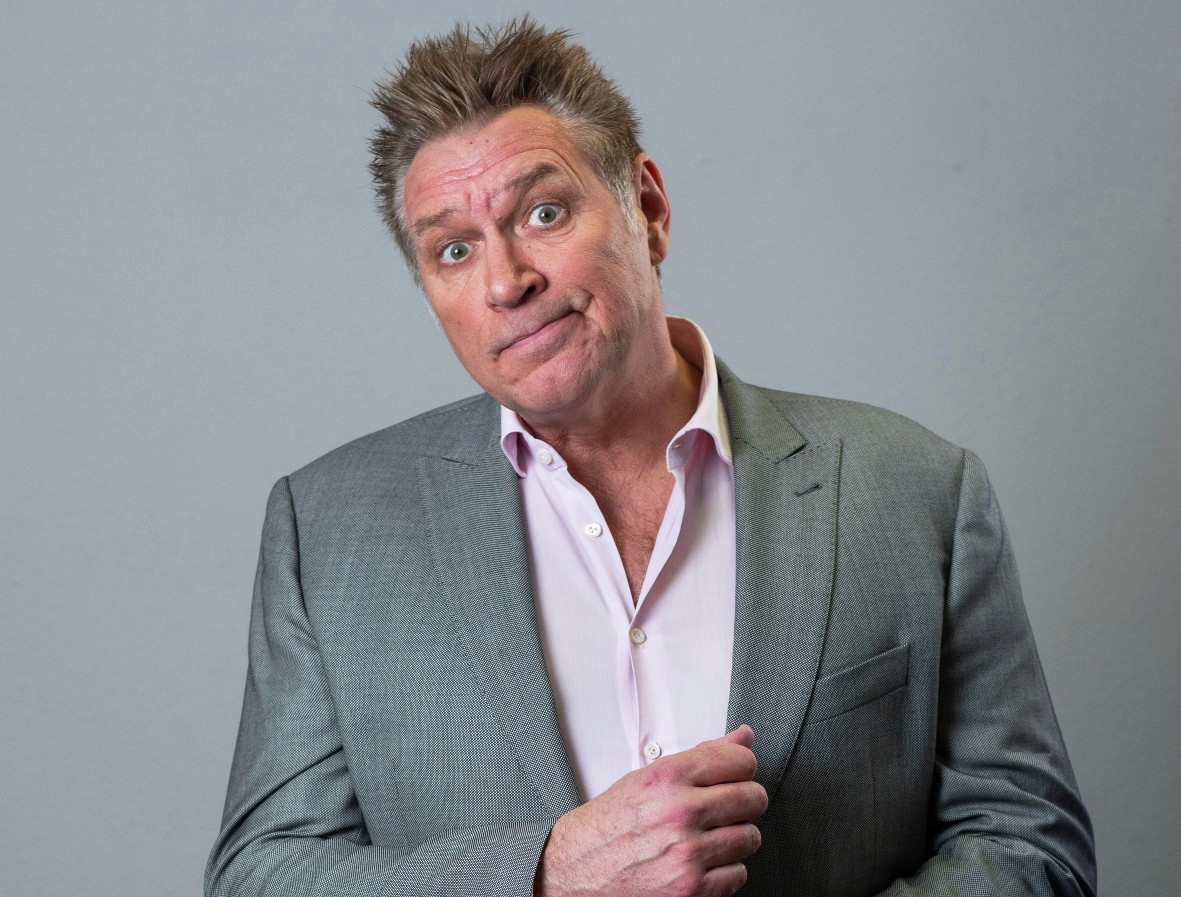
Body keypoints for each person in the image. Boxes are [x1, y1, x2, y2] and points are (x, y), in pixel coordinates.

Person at [205, 17, 1095, 897]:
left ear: (649, 209)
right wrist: (545, 875)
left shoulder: (914, 488)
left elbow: (1032, 846)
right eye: (454, 249)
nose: (505, 280)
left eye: (543, 213)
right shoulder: (328, 532)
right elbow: (259, 875)